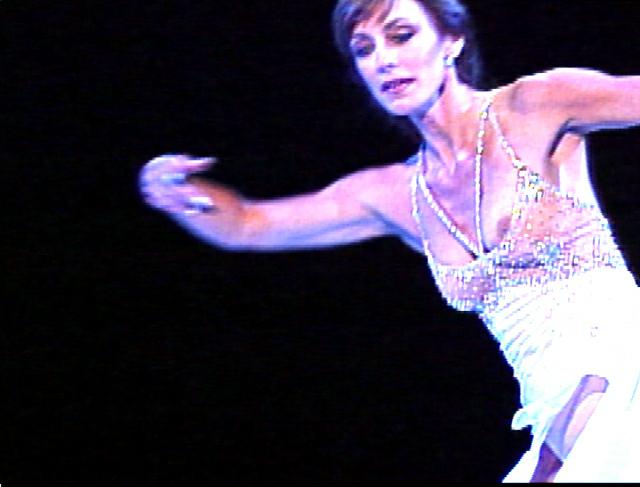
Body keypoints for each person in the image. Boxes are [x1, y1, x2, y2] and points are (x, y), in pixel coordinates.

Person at [138, 0, 640, 482]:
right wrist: (171, 192)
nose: (384, 60)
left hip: (623, 374)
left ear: (452, 41)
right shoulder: (395, 195)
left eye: (401, 35)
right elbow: (247, 225)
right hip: (557, 416)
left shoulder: (534, 107)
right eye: (364, 49)